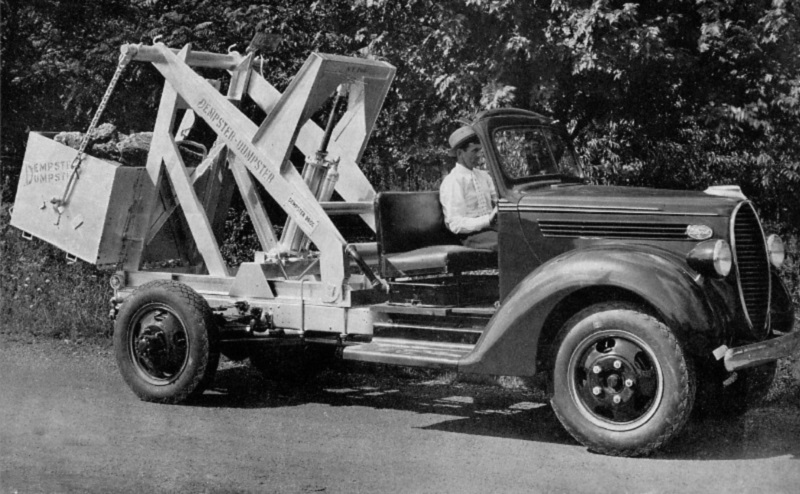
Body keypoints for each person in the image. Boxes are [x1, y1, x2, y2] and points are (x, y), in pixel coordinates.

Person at [439, 125, 498, 251]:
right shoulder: (453, 181)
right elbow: (455, 224)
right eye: (474, 151)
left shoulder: (483, 176)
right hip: (469, 236)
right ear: (460, 153)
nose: (479, 155)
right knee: (511, 242)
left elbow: (499, 198)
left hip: (491, 231)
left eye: (480, 150)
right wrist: (488, 220)